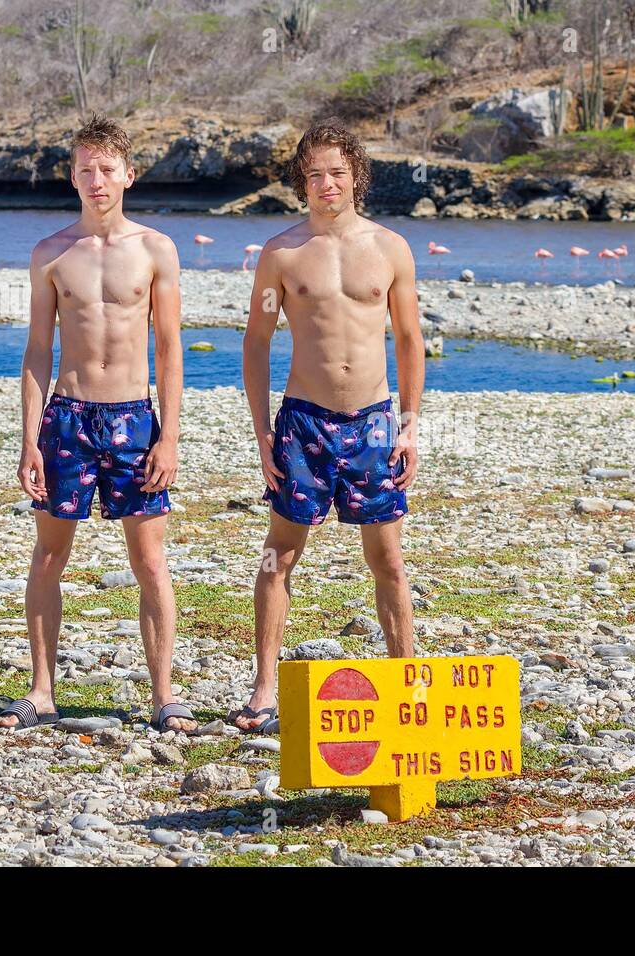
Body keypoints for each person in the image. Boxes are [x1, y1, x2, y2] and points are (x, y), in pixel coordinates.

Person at [0, 115, 197, 734]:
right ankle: (42, 691)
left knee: (151, 560)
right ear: (72, 177)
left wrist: (170, 435)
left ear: (128, 175)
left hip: (135, 418)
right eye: (85, 169)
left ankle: (164, 698)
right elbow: (36, 351)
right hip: (69, 420)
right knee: (50, 554)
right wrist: (29, 437)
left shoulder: (156, 249)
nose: (97, 179)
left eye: (108, 168)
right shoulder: (52, 254)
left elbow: (170, 349)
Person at [231, 120, 425, 731]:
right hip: (302, 425)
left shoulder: (390, 248)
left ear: (356, 176)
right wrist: (262, 430)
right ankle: (264, 687)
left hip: (372, 423)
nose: (325, 184)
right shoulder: (282, 254)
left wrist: (410, 424)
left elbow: (412, 341)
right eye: (313, 175)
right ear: (301, 182)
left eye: (336, 173)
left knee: (389, 559)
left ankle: (405, 684)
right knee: (278, 555)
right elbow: (257, 342)